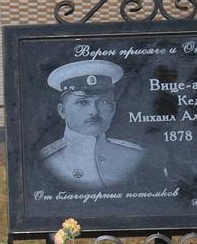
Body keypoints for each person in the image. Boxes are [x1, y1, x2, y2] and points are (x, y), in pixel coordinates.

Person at [38, 59, 148, 187]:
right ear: (62, 111)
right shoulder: (47, 161)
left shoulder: (134, 156)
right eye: (83, 102)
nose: (94, 111)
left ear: (113, 108)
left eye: (103, 102)